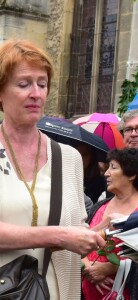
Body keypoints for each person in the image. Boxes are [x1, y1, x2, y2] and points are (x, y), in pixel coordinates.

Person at [0, 40, 105, 300]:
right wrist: (57, 235)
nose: (36, 93)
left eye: (42, 84)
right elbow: (61, 234)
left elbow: (73, 230)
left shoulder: (69, 158)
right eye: (24, 84)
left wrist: (99, 232)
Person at [82, 147, 138, 300]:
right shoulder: (99, 206)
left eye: (113, 167)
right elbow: (79, 244)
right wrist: (89, 268)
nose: (106, 173)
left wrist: (110, 268)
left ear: (131, 174)